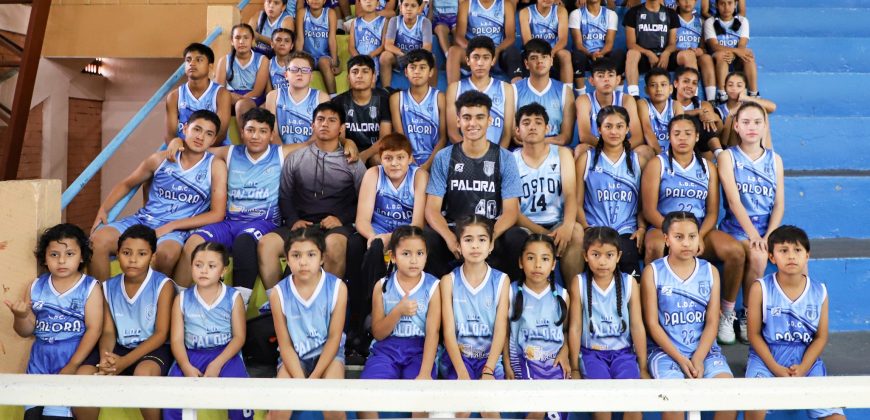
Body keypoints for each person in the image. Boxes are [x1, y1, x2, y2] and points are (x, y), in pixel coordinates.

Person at [641, 115, 745, 344]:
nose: (682, 138)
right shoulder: (657, 164)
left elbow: (712, 213)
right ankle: (654, 313)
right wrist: (675, 235)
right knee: (655, 245)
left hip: (699, 230)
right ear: (669, 136)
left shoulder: (708, 168)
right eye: (676, 133)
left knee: (736, 252)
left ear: (697, 136)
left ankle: (727, 313)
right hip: (664, 227)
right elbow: (649, 210)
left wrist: (697, 236)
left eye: (688, 133)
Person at [89, 110, 227, 282]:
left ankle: (154, 303)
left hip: (177, 229)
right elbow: (127, 183)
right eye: (197, 129)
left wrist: (171, 226)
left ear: (213, 140)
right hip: (144, 220)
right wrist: (104, 209)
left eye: (208, 134)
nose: (200, 137)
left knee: (166, 255)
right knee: (97, 241)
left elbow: (217, 214)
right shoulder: (159, 159)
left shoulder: (215, 166)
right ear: (184, 129)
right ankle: (102, 301)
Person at [258, 102, 366, 290]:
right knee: (266, 244)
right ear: (312, 125)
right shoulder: (296, 158)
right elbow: (285, 196)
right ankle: (275, 302)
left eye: (332, 120)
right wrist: (293, 220)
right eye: (320, 119)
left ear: (341, 128)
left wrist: (341, 219)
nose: (325, 124)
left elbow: (365, 201)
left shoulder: (353, 162)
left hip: (338, 226)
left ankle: (327, 303)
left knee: (333, 244)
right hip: (302, 224)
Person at [73, 225, 174, 420]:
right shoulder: (108, 287)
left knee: (143, 375)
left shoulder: (163, 285)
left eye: (142, 254)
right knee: (82, 377)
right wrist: (106, 359)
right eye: (126, 253)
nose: (133, 260)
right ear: (117, 254)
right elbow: (109, 332)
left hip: (151, 348)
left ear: (152, 256)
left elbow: (161, 334)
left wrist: (125, 362)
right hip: (118, 348)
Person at [641, 211, 735, 420]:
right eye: (679, 237)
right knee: (674, 402)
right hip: (665, 352)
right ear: (666, 239)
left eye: (692, 236)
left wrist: (699, 358)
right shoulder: (653, 272)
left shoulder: (710, 271)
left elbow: (712, 321)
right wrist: (681, 359)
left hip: (705, 351)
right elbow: (652, 324)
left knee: (730, 398)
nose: (686, 243)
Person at [745, 226, 846, 420]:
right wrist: (775, 368)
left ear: (807, 255)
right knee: (754, 408)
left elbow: (821, 336)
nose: (791, 256)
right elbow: (754, 335)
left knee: (836, 418)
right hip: (767, 358)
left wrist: (804, 366)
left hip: (805, 359)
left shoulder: (820, 291)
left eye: (797, 250)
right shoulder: (761, 288)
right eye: (783, 250)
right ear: (772, 257)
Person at [424, 90, 526, 281]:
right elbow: (432, 209)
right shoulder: (444, 157)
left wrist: (489, 238)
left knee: (517, 238)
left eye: (480, 117)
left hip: (490, 230)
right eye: (467, 117)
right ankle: (435, 295)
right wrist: (449, 237)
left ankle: (512, 296)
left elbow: (511, 211)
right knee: (428, 237)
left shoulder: (504, 157)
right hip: (455, 228)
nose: (472, 123)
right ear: (458, 121)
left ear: (489, 121)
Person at [5, 224, 102, 419]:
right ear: (45, 258)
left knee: (55, 415)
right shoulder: (36, 286)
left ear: (82, 256)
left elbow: (94, 329)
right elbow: (26, 331)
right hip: (39, 361)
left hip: (70, 357)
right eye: (54, 255)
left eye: (70, 254)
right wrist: (21, 316)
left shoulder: (90, 287)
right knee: (32, 415)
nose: (62, 260)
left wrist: (73, 365)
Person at [351, 133, 428, 355]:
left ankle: (376, 318)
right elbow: (362, 220)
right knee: (355, 246)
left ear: (410, 159)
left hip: (405, 235)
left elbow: (417, 224)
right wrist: (375, 238)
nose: (394, 163)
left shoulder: (419, 176)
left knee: (383, 249)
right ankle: (362, 316)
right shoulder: (373, 174)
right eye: (388, 158)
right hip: (375, 233)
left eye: (400, 158)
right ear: (379, 159)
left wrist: (388, 239)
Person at [718, 102, 784, 343]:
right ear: (736, 126)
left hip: (766, 229)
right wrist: (754, 236)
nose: (752, 127)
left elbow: (779, 205)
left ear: (765, 126)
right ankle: (727, 313)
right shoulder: (728, 157)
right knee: (755, 255)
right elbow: (734, 201)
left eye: (757, 122)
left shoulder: (775, 159)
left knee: (776, 255)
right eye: (745, 122)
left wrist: (768, 236)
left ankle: (747, 314)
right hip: (736, 228)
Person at [164, 242, 251, 420]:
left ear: (223, 271)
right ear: (191, 267)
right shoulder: (181, 299)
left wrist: (218, 363)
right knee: (172, 397)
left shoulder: (233, 297)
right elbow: (177, 340)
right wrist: (186, 365)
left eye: (211, 266)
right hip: (191, 354)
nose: (204, 271)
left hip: (225, 354)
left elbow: (239, 337)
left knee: (241, 394)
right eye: (198, 265)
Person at [268, 227, 348, 420]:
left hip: (329, 356)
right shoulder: (279, 293)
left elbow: (334, 337)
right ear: (287, 259)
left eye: (311, 255)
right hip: (295, 356)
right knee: (279, 411)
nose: (303, 262)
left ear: (322, 258)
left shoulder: (337, 287)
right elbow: (285, 344)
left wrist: (314, 379)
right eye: (296, 255)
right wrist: (301, 381)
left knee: (333, 407)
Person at [358, 226, 441, 409]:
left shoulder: (434, 286)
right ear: (393, 257)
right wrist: (397, 311)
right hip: (387, 349)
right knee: (366, 398)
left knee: (421, 400)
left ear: (427, 255)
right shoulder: (382, 286)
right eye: (406, 254)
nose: (414, 260)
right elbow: (378, 333)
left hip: (419, 351)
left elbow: (433, 332)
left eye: (420, 253)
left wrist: (425, 372)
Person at [569, 227, 648, 420]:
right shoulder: (579, 282)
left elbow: (637, 326)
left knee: (633, 403)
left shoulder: (629, 283)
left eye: (609, 255)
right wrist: (574, 368)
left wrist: (643, 367)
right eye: (595, 254)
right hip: (591, 354)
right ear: (585, 256)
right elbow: (575, 327)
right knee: (602, 401)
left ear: (619, 256)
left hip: (623, 353)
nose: (602, 261)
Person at [512, 103, 584, 283]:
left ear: (547, 128)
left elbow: (570, 194)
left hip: (557, 222)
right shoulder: (510, 159)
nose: (532, 126)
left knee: (575, 231)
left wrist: (567, 226)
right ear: (517, 131)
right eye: (526, 123)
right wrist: (543, 234)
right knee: (514, 236)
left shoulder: (562, 153)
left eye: (538, 122)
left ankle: (572, 294)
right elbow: (513, 210)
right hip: (526, 225)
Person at [576, 105, 648, 278]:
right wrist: (586, 228)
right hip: (594, 229)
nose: (614, 131)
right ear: (599, 129)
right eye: (608, 126)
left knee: (629, 269)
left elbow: (643, 204)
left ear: (627, 129)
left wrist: (642, 228)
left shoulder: (639, 161)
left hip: (626, 232)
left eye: (619, 126)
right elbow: (576, 203)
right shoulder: (586, 159)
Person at [440, 216, 510, 386]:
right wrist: (462, 372)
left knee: (491, 410)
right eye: (468, 239)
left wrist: (489, 370)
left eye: (482, 239)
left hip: (489, 360)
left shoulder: (501, 280)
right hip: (457, 360)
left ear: (491, 245)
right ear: (458, 245)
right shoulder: (448, 281)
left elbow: (501, 329)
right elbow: (448, 332)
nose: (475, 245)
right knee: (462, 410)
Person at [505, 234, 570, 385]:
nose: (537, 265)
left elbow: (566, 331)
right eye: (530, 258)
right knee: (537, 407)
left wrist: (564, 352)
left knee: (557, 406)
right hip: (523, 364)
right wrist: (507, 363)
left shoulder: (563, 295)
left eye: (545, 259)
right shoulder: (510, 292)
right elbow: (504, 333)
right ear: (521, 262)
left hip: (554, 364)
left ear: (554, 264)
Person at [445, 36, 515, 148]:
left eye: (486, 58)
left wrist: (493, 156)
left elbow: (507, 134)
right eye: (475, 57)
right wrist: (472, 155)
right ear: (468, 60)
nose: (480, 63)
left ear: (493, 60)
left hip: (495, 155)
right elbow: (453, 133)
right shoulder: (454, 89)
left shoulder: (506, 89)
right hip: (463, 155)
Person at [390, 49, 446, 171]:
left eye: (422, 67)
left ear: (431, 72)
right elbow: (400, 137)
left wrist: (428, 165)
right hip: (406, 159)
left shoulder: (440, 98)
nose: (417, 72)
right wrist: (411, 161)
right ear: (405, 72)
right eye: (412, 67)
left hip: (434, 159)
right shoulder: (396, 99)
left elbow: (443, 138)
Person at [575, 58, 645, 155]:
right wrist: (609, 149)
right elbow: (584, 136)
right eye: (600, 76)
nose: (606, 79)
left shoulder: (626, 100)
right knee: (581, 149)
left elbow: (638, 136)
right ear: (591, 81)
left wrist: (617, 149)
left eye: (611, 75)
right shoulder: (584, 100)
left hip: (622, 148)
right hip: (597, 147)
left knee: (645, 151)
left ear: (617, 79)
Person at [165, 43, 231, 146]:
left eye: (199, 60)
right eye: (188, 60)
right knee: (155, 160)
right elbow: (170, 135)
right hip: (184, 151)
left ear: (210, 66)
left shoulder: (221, 94)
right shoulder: (174, 96)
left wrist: (197, 153)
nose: (192, 63)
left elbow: (221, 134)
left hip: (213, 150)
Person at [512, 39, 576, 147]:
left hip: (554, 150)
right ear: (526, 64)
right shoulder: (514, 90)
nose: (540, 61)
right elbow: (514, 133)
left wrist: (538, 141)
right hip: (524, 150)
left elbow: (566, 137)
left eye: (544, 57)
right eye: (534, 58)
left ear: (551, 61)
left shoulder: (565, 91)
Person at [332, 55, 393, 166]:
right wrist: (347, 142)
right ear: (348, 78)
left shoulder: (384, 99)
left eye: (365, 72)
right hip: (349, 151)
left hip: (376, 151)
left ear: (373, 77)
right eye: (355, 72)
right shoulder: (339, 101)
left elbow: (385, 137)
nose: (359, 76)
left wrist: (365, 155)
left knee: (377, 160)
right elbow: (339, 135)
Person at [447, 0, 522, 84]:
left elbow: (510, 37)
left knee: (512, 51)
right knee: (453, 51)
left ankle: (518, 88)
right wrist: (475, 50)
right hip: (473, 50)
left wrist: (497, 50)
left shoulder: (506, 5)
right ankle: (452, 93)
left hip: (496, 52)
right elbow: (459, 36)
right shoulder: (466, 5)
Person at [265, 51, 331, 145]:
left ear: (311, 76)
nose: (299, 73)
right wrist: (284, 154)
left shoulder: (322, 98)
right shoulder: (273, 96)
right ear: (286, 75)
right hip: (281, 153)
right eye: (294, 69)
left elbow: (319, 135)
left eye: (305, 70)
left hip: (310, 154)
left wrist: (299, 154)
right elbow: (272, 134)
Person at [216, 24, 270, 131]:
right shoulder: (224, 61)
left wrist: (239, 98)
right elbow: (219, 90)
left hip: (253, 97)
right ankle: (220, 139)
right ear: (232, 41)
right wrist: (230, 97)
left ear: (252, 40)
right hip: (231, 96)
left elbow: (257, 91)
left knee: (241, 105)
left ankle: (245, 139)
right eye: (237, 38)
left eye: (246, 38)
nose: (241, 41)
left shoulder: (262, 60)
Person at [623, 0, 681, 98]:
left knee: (688, 55)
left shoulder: (671, 13)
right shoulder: (633, 12)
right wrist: (648, 53)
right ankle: (634, 96)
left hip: (664, 57)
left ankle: (693, 97)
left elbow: (672, 44)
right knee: (632, 53)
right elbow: (630, 44)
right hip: (643, 57)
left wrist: (666, 53)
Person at [704, 0, 757, 103]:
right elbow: (714, 46)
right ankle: (722, 93)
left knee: (748, 57)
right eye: (722, 3)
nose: (726, 7)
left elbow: (742, 45)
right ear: (717, 5)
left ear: (735, 4)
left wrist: (734, 53)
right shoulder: (710, 22)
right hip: (718, 57)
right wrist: (734, 52)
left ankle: (754, 94)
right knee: (722, 55)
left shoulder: (743, 21)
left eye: (729, 3)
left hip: (737, 58)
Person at [568, 0, 622, 97]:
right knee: (577, 56)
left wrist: (601, 53)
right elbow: (578, 44)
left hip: (604, 54)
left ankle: (618, 94)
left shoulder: (611, 14)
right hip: (585, 54)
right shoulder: (576, 14)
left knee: (619, 54)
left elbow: (609, 43)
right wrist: (590, 54)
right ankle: (581, 95)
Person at [714, 71, 776, 149]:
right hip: (732, 149)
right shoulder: (719, 110)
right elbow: (723, 141)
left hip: (754, 146)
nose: (734, 88)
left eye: (739, 86)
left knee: (761, 110)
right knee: (737, 118)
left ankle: (765, 152)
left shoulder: (748, 106)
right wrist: (731, 115)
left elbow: (772, 107)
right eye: (730, 85)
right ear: (725, 88)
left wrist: (746, 98)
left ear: (745, 89)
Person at [671, 66, 723, 159]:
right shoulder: (668, 105)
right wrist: (695, 112)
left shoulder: (704, 105)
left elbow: (715, 132)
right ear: (676, 83)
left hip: (702, 149)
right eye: (686, 81)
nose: (690, 86)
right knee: (692, 121)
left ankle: (720, 156)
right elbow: (674, 120)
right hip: (677, 145)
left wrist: (716, 119)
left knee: (705, 122)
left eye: (694, 83)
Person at [381, 0, 435, 87]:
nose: (409, 9)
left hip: (418, 58)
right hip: (400, 57)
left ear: (419, 9)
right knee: (385, 56)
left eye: (413, 6)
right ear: (400, 7)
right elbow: (388, 45)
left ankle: (432, 91)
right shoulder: (394, 21)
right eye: (406, 5)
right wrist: (403, 54)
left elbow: (427, 47)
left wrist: (414, 57)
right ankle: (386, 89)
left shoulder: (425, 22)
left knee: (432, 57)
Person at [517, 0, 572, 83]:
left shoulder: (561, 11)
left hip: (554, 51)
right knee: (533, 56)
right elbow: (528, 42)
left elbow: (563, 40)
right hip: (535, 50)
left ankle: (567, 91)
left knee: (565, 55)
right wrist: (542, 56)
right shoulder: (525, 12)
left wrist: (551, 53)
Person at [674, 0, 717, 101]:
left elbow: (703, 47)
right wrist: (683, 50)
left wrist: (700, 51)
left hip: (695, 55)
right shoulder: (672, 19)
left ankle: (712, 100)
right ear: (677, 2)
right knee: (689, 55)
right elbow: (668, 45)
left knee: (706, 58)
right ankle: (694, 98)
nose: (687, 2)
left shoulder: (700, 21)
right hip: (679, 56)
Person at [296, 0, 340, 94]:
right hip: (308, 56)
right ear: (307, 1)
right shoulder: (302, 13)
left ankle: (333, 97)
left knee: (323, 62)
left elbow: (332, 39)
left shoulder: (330, 13)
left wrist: (335, 62)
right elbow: (300, 39)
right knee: (302, 66)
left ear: (324, 1)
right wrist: (297, 60)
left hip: (325, 56)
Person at [636, 67, 684, 154]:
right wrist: (660, 156)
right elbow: (647, 129)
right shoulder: (643, 104)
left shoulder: (676, 105)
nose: (659, 89)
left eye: (663, 84)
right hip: (652, 152)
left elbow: (679, 131)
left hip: (672, 151)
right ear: (646, 90)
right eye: (653, 85)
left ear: (670, 89)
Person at [348, 0, 388, 78]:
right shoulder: (355, 22)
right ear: (360, 3)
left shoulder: (383, 21)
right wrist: (359, 58)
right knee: (354, 78)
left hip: (373, 59)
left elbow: (383, 45)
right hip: (357, 59)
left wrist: (369, 56)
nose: (368, 1)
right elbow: (351, 47)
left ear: (377, 3)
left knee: (369, 78)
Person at [266, 28, 295, 93]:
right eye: (278, 40)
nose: (282, 43)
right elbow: (269, 92)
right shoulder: (268, 64)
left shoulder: (297, 64)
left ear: (292, 46)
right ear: (272, 44)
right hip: (275, 100)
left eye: (287, 41)